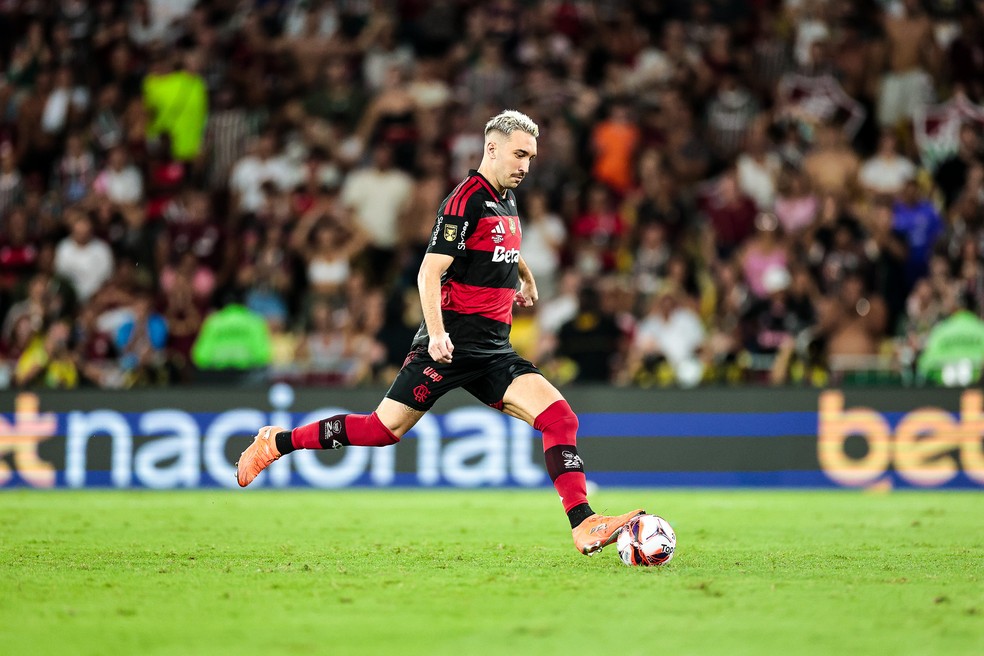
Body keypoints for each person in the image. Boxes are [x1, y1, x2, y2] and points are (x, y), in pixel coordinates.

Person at [236, 110, 644, 556]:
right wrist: (435, 334)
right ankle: (275, 442)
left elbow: (499, 246)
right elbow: (429, 272)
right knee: (381, 430)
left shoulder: (504, 198)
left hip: (493, 351)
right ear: (492, 148)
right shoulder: (464, 199)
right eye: (519, 154)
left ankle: (584, 524)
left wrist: (523, 275)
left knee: (560, 418)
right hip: (447, 346)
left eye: (531, 156)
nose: (526, 164)